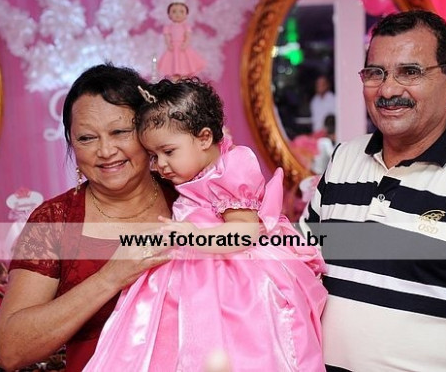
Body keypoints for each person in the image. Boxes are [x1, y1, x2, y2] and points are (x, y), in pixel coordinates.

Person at [300, 10, 446, 371]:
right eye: (375, 73)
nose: (388, 90)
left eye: (410, 72)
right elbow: (303, 265)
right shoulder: (343, 161)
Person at [84, 77, 327, 371]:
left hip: (236, 272)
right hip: (194, 265)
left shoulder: (231, 168)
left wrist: (196, 236)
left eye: (168, 152)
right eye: (153, 156)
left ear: (204, 138)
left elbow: (245, 232)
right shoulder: (194, 172)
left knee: (238, 340)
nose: (160, 165)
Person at [0, 63, 177, 372]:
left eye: (120, 132)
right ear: (71, 143)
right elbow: (11, 350)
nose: (105, 150)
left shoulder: (190, 198)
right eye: (87, 138)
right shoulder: (54, 222)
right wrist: (111, 277)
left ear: (148, 131)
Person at [157, 0, 206, 79]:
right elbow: (167, 37)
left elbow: (188, 36)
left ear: (186, 15)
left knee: (185, 64)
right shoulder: (168, 27)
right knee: (173, 65)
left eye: (181, 11)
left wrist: (185, 44)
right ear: (169, 14)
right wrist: (168, 44)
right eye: (174, 11)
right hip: (173, 49)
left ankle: (184, 79)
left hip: (182, 48)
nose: (178, 14)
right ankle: (175, 81)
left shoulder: (186, 26)